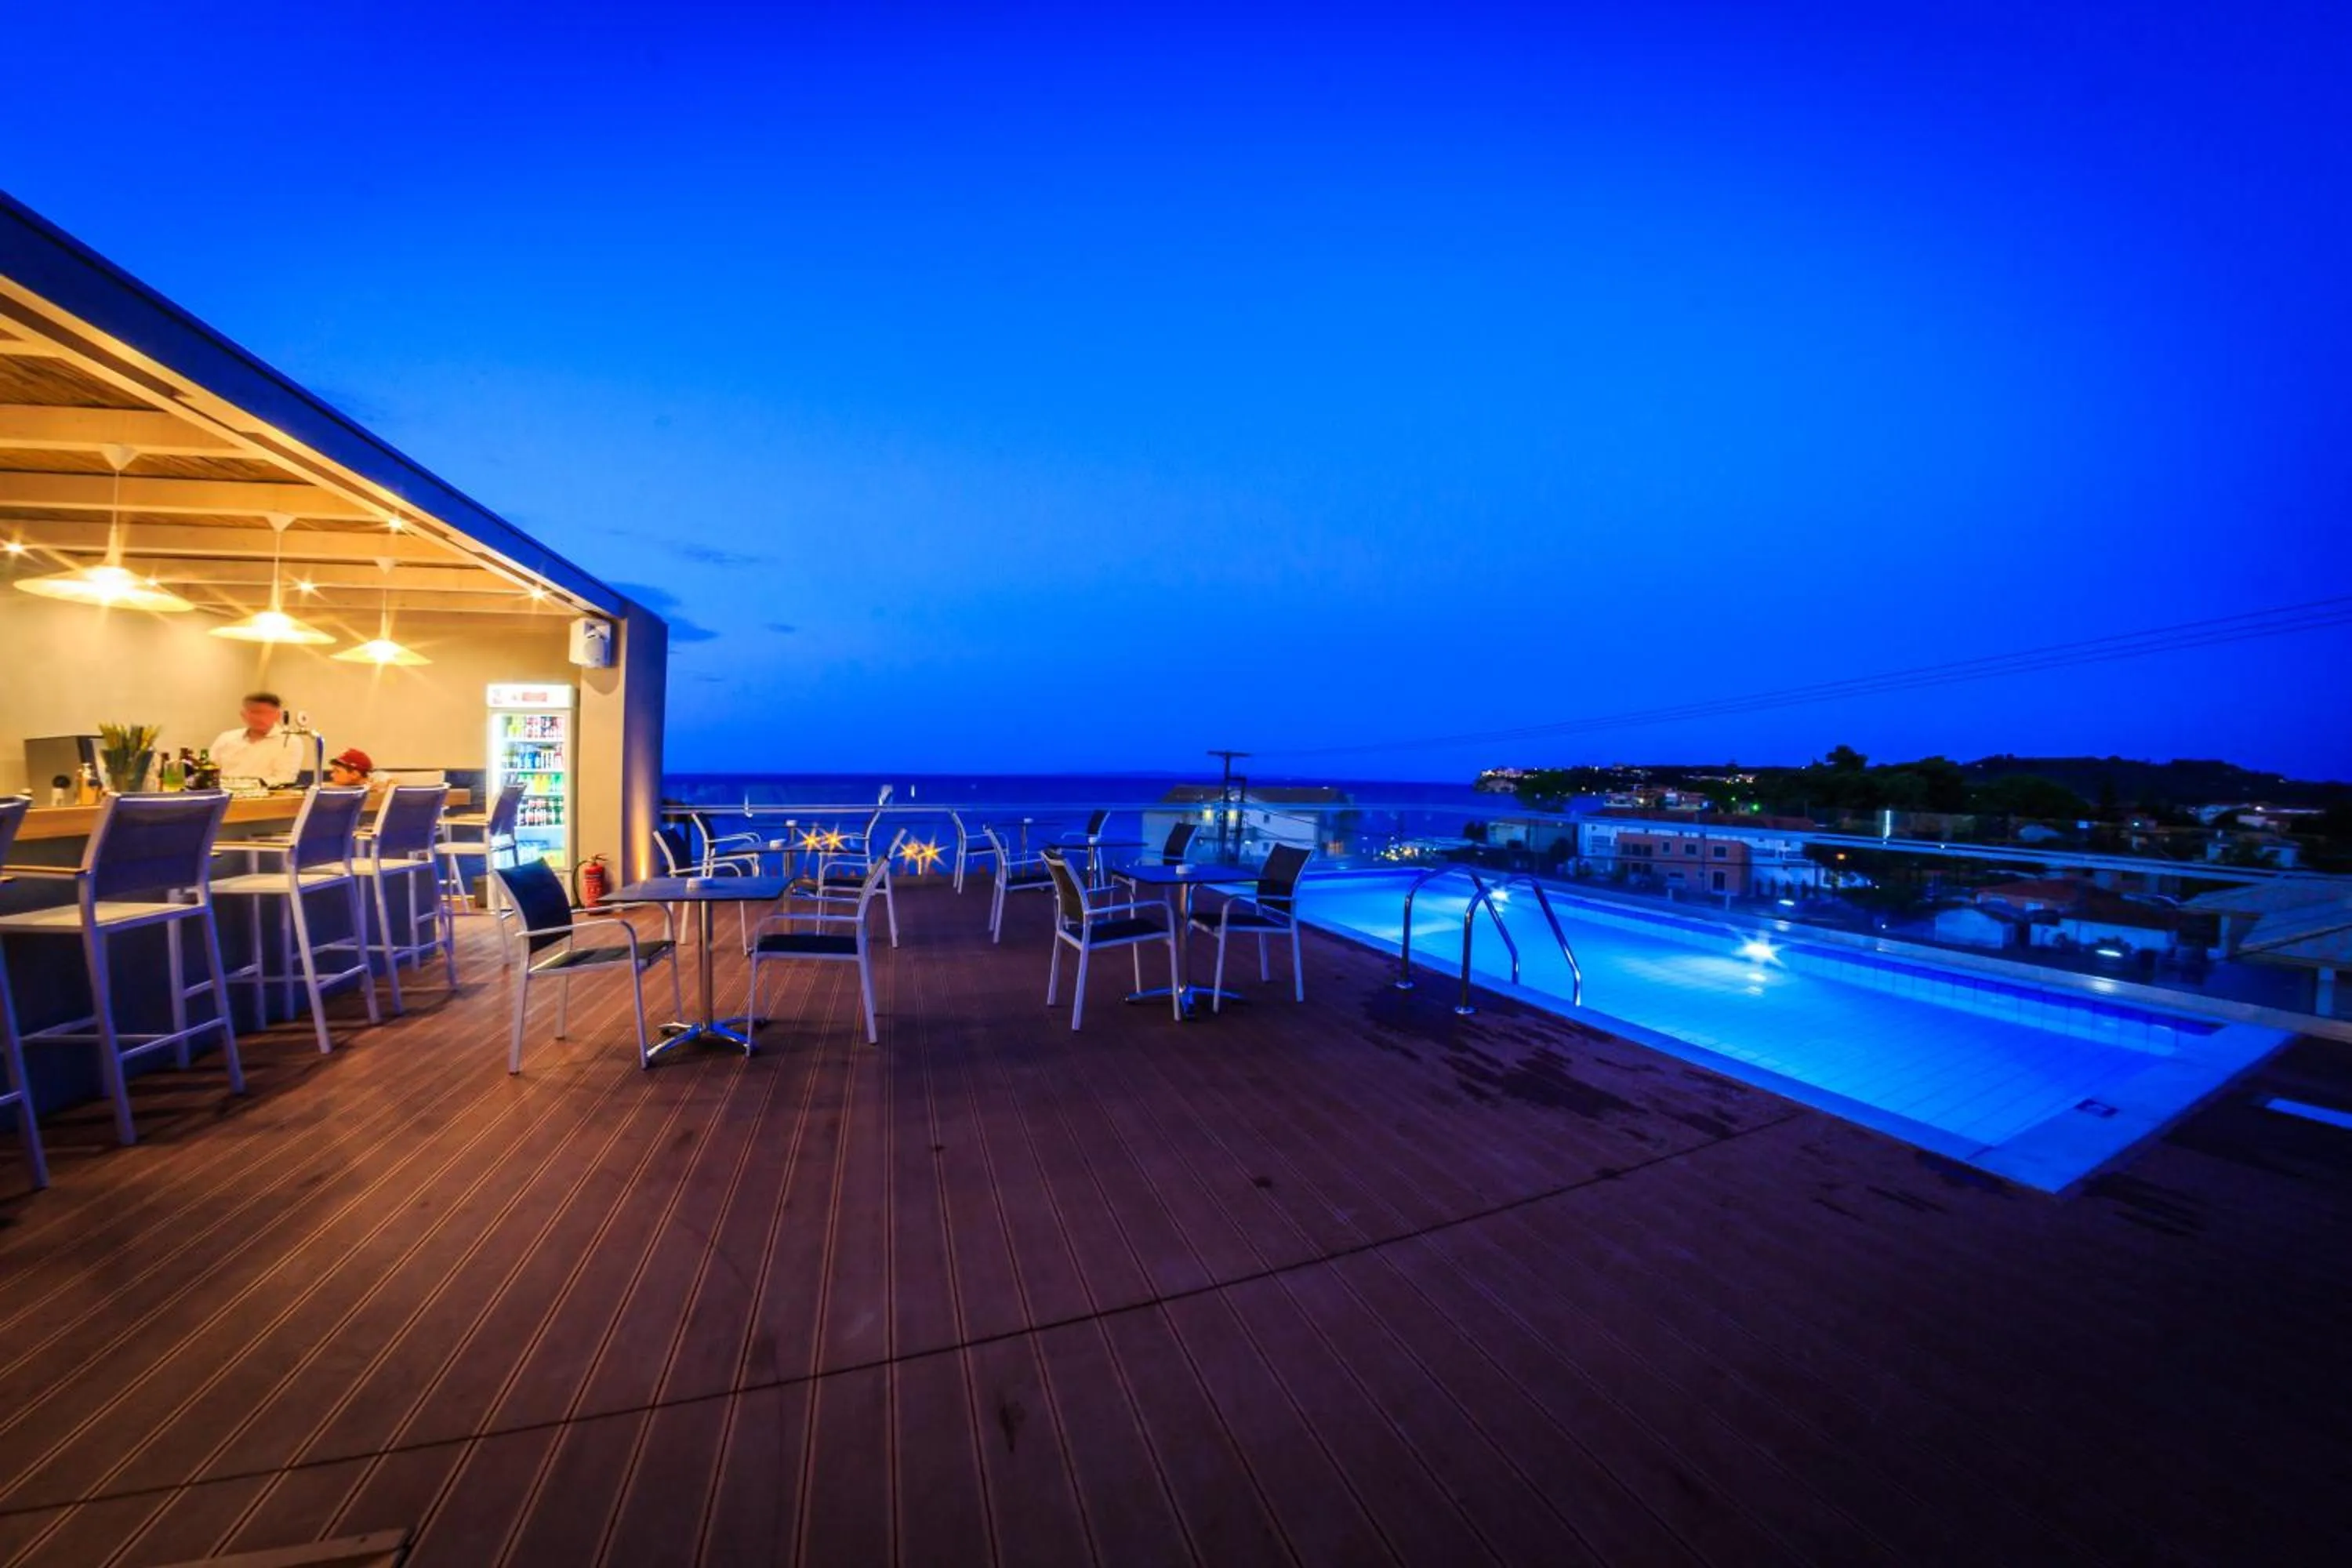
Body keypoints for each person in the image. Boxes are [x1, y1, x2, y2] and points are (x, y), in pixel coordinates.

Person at [209, 691, 302, 786]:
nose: (260, 718)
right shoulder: (226, 738)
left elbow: (284, 778)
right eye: (254, 712)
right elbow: (210, 771)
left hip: (266, 797)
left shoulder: (289, 741)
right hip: (223, 795)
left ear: (277, 715)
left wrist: (244, 786)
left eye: (266, 713)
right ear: (243, 714)